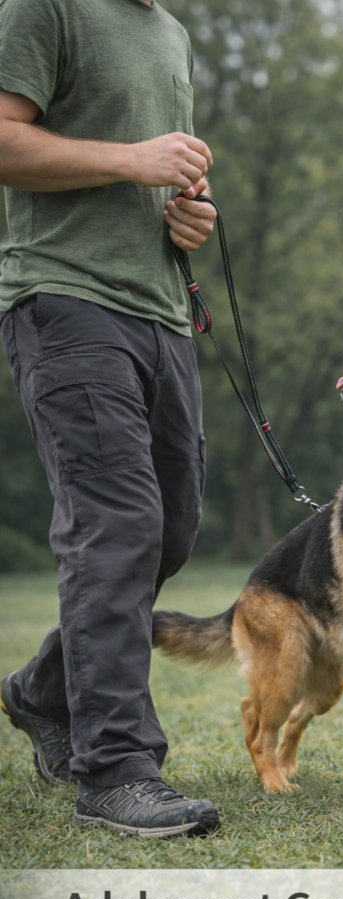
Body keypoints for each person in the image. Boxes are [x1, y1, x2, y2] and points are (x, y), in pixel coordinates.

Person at [0, 0, 222, 837]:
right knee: (116, 524)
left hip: (160, 312)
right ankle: (117, 770)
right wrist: (134, 160)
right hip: (63, 300)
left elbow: (157, 184)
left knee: (169, 530)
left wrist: (189, 218)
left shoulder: (171, 34)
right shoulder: (43, 7)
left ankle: (42, 691)